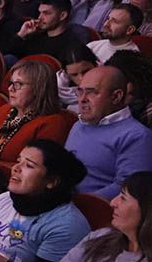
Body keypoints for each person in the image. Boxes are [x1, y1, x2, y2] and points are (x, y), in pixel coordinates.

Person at [65, 65, 152, 199]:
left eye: (92, 92)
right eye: (80, 91)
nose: (82, 99)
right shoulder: (78, 125)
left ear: (116, 96)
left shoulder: (137, 136)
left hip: (96, 214)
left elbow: (127, 188)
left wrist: (75, 204)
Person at [0, 59, 71, 166]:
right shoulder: (5, 110)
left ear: (38, 88)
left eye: (18, 84)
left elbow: (37, 169)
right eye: (11, 83)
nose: (10, 89)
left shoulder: (52, 123)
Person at [13, 0, 92, 66]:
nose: (40, 17)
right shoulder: (36, 36)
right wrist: (21, 34)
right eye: (40, 13)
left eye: (46, 13)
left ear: (62, 16)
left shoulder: (71, 43)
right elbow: (13, 55)